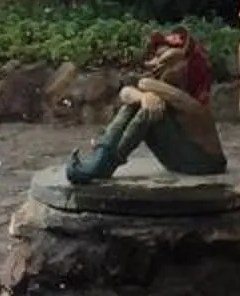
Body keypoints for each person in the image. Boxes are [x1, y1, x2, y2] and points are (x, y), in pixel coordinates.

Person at [65, 27, 225, 185]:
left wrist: (146, 88)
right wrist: (143, 96)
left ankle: (103, 165)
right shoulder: (158, 92)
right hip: (176, 160)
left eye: (167, 61)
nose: (158, 64)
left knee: (149, 112)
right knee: (139, 105)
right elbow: (126, 93)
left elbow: (148, 84)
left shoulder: (193, 101)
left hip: (204, 164)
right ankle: (101, 159)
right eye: (157, 57)